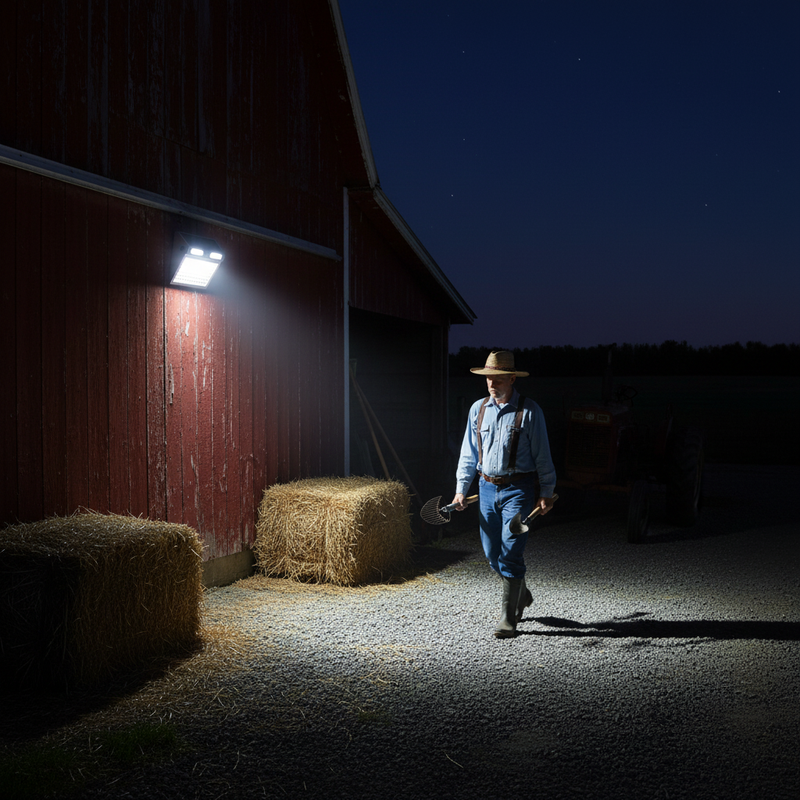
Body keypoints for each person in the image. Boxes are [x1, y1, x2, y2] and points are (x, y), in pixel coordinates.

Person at [452, 350, 556, 638]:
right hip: (485, 489)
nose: (491, 383)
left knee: (511, 552)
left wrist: (546, 491)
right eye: (488, 378)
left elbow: (543, 456)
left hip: (518, 490)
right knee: (491, 554)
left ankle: (508, 619)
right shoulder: (478, 409)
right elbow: (468, 454)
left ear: (512, 378)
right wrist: (461, 490)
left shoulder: (530, 411)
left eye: (497, 378)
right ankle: (520, 592)